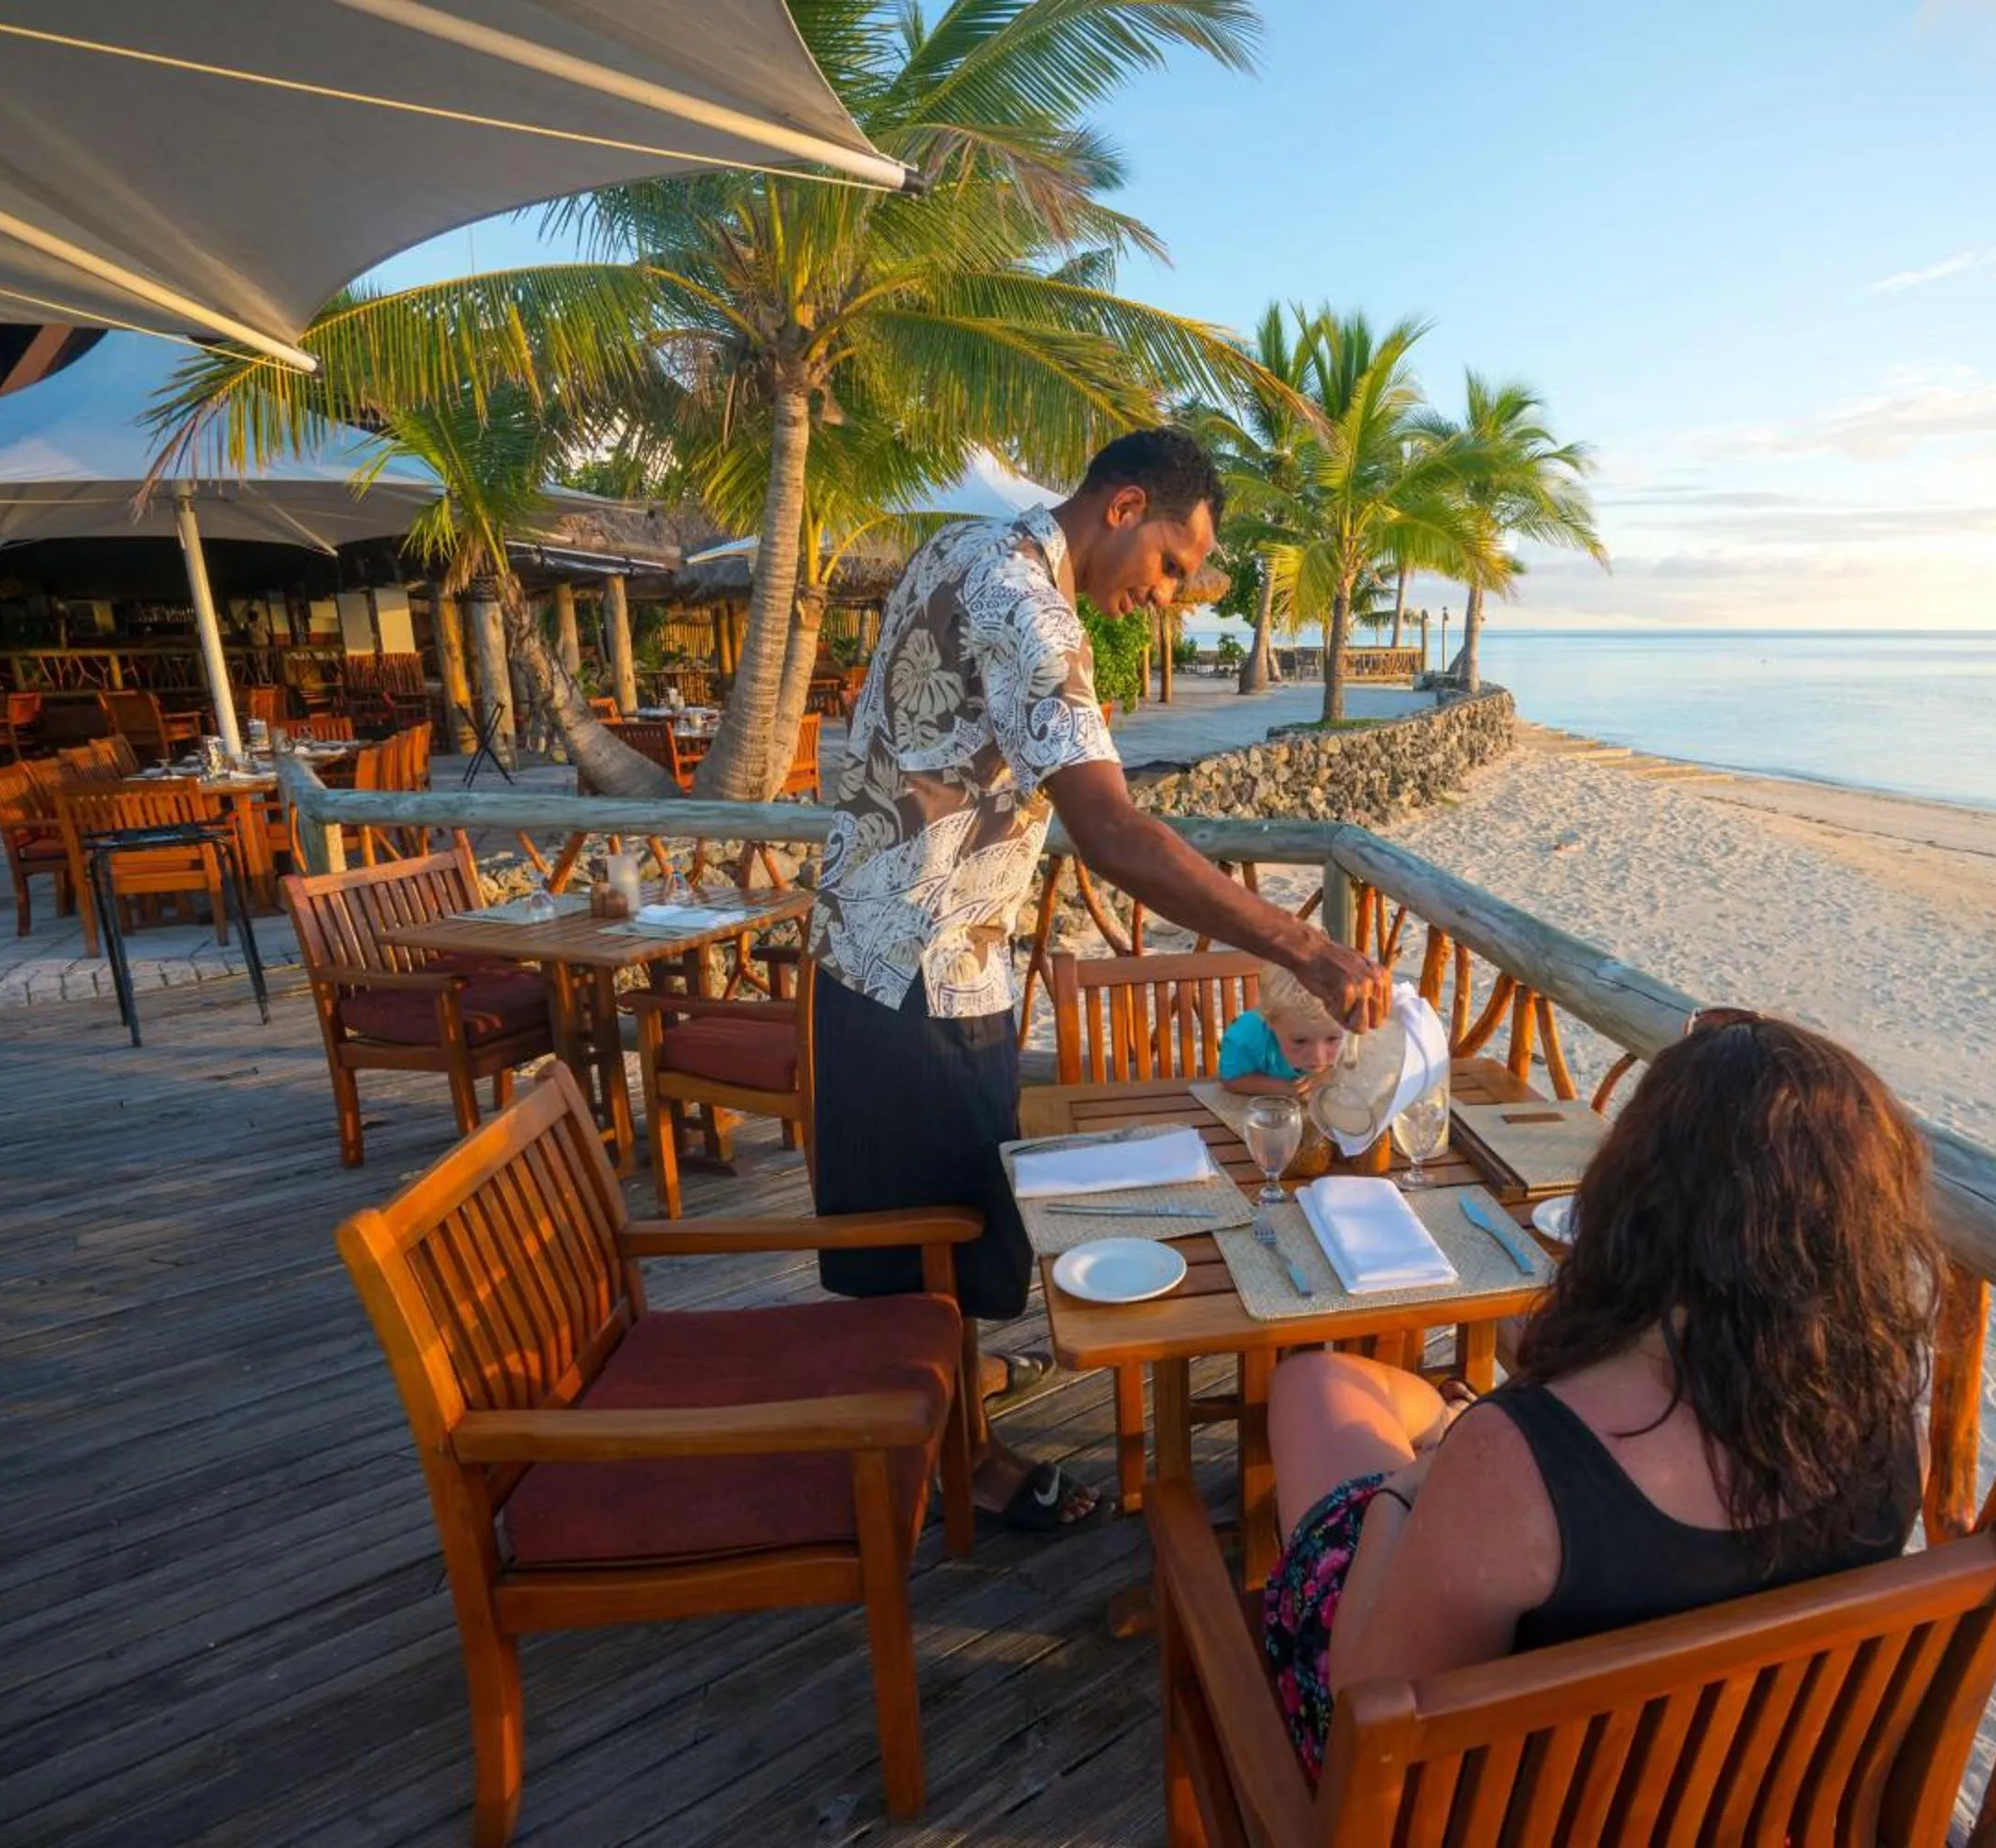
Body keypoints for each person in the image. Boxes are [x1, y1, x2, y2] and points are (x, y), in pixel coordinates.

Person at [811, 427, 1391, 1536]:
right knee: (931, 1238)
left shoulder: (964, 551)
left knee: (927, 1233)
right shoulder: (1028, 605)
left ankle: (936, 1417)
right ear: (1124, 506)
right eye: (1172, 565)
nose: (1167, 597)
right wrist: (1305, 947)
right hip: (921, 970)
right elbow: (1114, 833)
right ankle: (944, 1466)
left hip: (876, 949)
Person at [1258, 1011, 1937, 1779]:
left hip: (1485, 1807)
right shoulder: (1891, 1432)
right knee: (1357, 1397)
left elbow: (1365, 1707)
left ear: (1639, 1194)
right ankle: (1443, 1412)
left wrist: (1407, 1490)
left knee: (1315, 1386)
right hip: (1720, 1795)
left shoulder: (1523, 1464)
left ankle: (1437, 1423)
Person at [1217, 964, 1348, 1097]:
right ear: (1269, 1023)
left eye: (1332, 1039)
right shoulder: (1244, 1038)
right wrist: (1290, 1088)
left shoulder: (1355, 1033)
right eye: (1300, 1041)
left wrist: (1333, 1075)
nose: (1318, 1058)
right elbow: (1231, 1079)